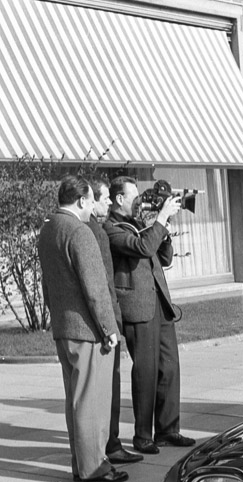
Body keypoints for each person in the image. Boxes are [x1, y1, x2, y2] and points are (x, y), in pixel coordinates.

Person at [37, 176, 127, 482]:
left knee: (76, 400)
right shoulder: (80, 231)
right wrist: (109, 329)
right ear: (79, 201)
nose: (91, 208)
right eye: (90, 201)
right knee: (92, 403)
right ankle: (94, 468)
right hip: (88, 331)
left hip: (64, 328)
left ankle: (82, 465)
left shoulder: (49, 229)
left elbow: (48, 285)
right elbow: (95, 289)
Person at [104, 176, 195, 455]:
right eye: (134, 197)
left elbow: (162, 257)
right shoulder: (112, 228)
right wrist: (160, 219)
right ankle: (143, 435)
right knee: (145, 371)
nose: (139, 201)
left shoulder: (138, 222)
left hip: (159, 303)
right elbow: (142, 247)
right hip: (137, 306)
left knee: (169, 367)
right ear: (119, 199)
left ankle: (168, 430)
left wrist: (164, 226)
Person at [85, 175, 142, 465]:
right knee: (109, 387)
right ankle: (110, 444)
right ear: (90, 201)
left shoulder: (94, 228)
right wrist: (110, 324)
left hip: (107, 317)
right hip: (105, 320)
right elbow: (102, 283)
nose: (107, 202)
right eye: (104, 198)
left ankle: (110, 443)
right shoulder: (96, 231)